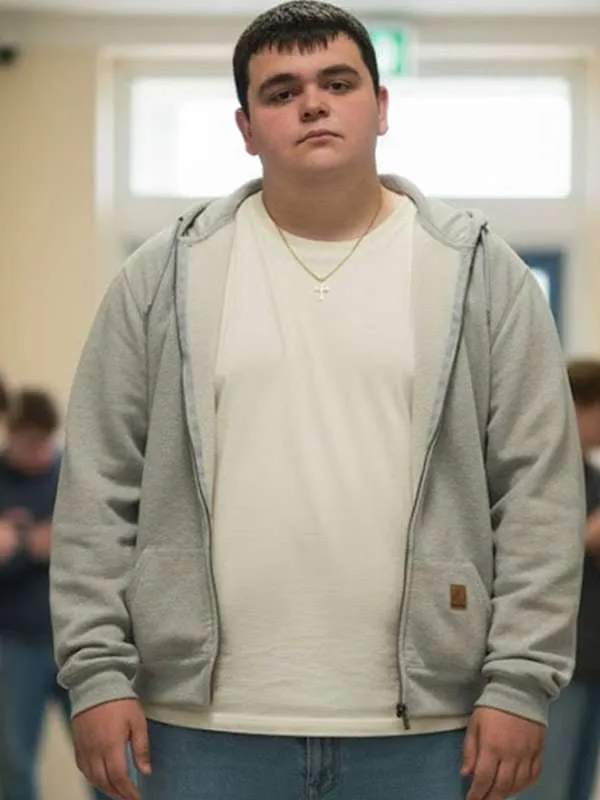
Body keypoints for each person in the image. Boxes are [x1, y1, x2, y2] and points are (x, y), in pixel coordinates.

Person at [50, 3, 585, 800]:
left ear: (381, 106)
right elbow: (97, 484)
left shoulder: (481, 274)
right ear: (245, 127)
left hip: (432, 728)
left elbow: (538, 490)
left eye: (338, 83)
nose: (312, 104)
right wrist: (97, 673)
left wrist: (520, 682)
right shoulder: (162, 277)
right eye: (282, 91)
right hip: (198, 726)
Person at [0, 389, 110, 800]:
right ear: (13, 434)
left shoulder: (72, 475)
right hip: (13, 644)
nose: (41, 452)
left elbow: (96, 544)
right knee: (14, 762)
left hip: (77, 641)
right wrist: (36, 543)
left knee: (104, 758)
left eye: (47, 441)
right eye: (31, 443)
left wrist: (20, 542)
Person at [519, 359, 600, 800]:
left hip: (591, 658)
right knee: (544, 788)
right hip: (554, 663)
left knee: (575, 786)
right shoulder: (538, 472)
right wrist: (585, 536)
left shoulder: (593, 479)